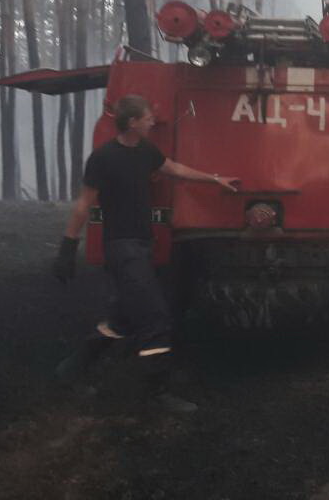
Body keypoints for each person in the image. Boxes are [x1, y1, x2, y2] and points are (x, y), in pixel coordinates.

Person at [52, 94, 239, 411]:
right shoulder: (103, 158)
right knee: (156, 318)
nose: (154, 119)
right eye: (148, 116)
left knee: (122, 318)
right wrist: (68, 247)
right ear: (133, 122)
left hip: (141, 244)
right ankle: (157, 391)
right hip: (122, 248)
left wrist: (214, 179)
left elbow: (174, 169)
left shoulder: (145, 151)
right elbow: (84, 204)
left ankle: (71, 368)